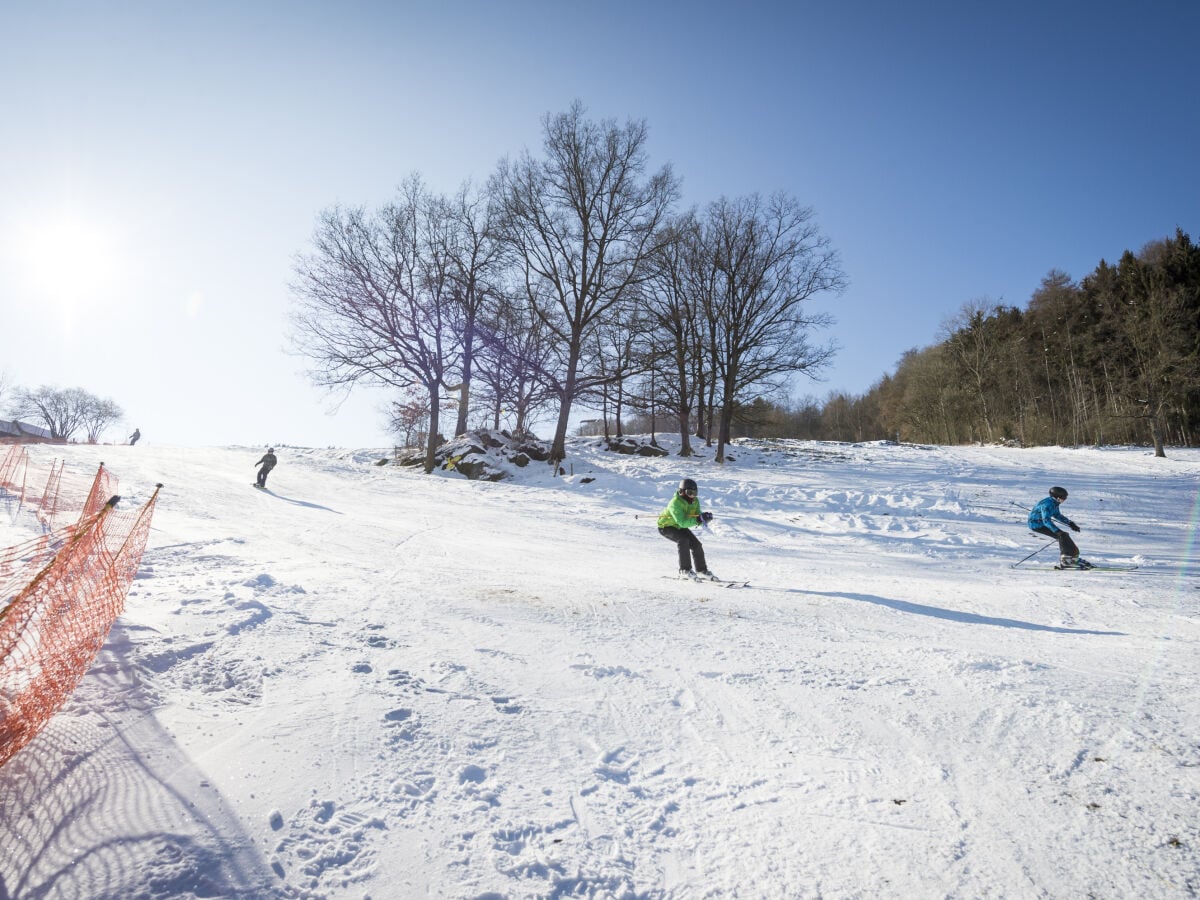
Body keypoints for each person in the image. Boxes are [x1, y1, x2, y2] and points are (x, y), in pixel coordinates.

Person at [657, 477, 719, 581]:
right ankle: (684, 571)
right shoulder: (675, 503)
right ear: (682, 492)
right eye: (690, 492)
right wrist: (698, 519)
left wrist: (703, 518)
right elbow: (682, 522)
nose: (692, 496)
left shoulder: (695, 501)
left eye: (695, 493)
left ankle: (702, 571)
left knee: (696, 544)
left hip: (680, 526)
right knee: (683, 540)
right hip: (666, 526)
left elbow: (696, 516)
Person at [1028, 486, 1090, 569]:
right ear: (1057, 497)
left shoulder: (1054, 503)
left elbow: (1057, 515)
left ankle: (1073, 558)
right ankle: (1066, 561)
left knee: (1064, 535)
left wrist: (1071, 523)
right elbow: (1046, 521)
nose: (1064, 500)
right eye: (1063, 498)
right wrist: (1056, 531)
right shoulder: (1047, 504)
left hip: (1042, 523)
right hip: (1037, 525)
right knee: (1062, 536)